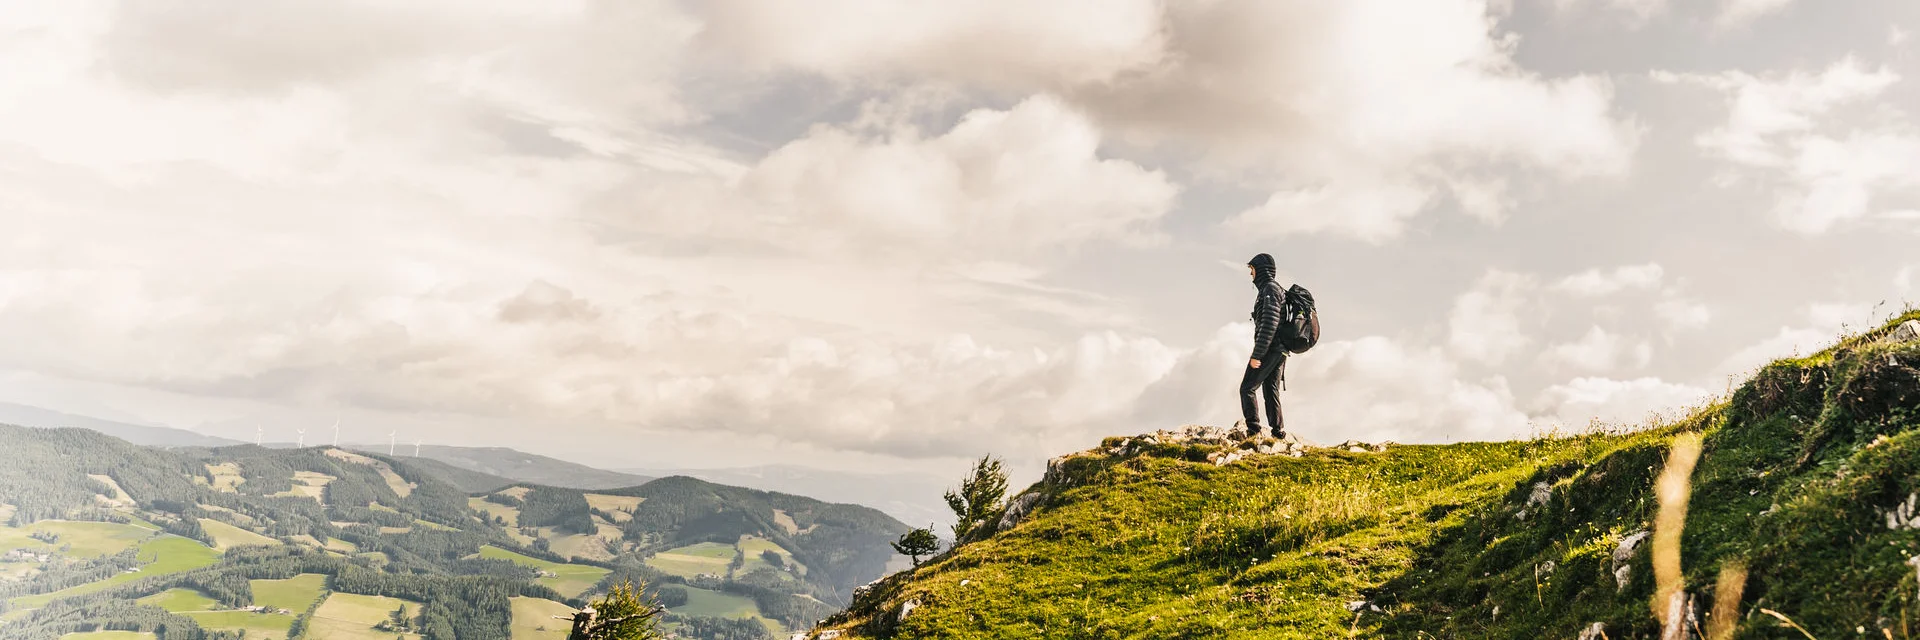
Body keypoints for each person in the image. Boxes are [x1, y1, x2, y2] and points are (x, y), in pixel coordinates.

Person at [1240, 253, 1287, 439]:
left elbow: (1269, 324)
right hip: (1280, 349)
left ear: (1260, 270)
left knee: (1247, 388)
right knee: (1270, 390)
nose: (1250, 273)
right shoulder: (1273, 290)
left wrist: (1257, 355)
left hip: (1271, 348)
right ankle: (1278, 432)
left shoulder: (1270, 290)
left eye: (1252, 269)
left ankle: (1253, 430)